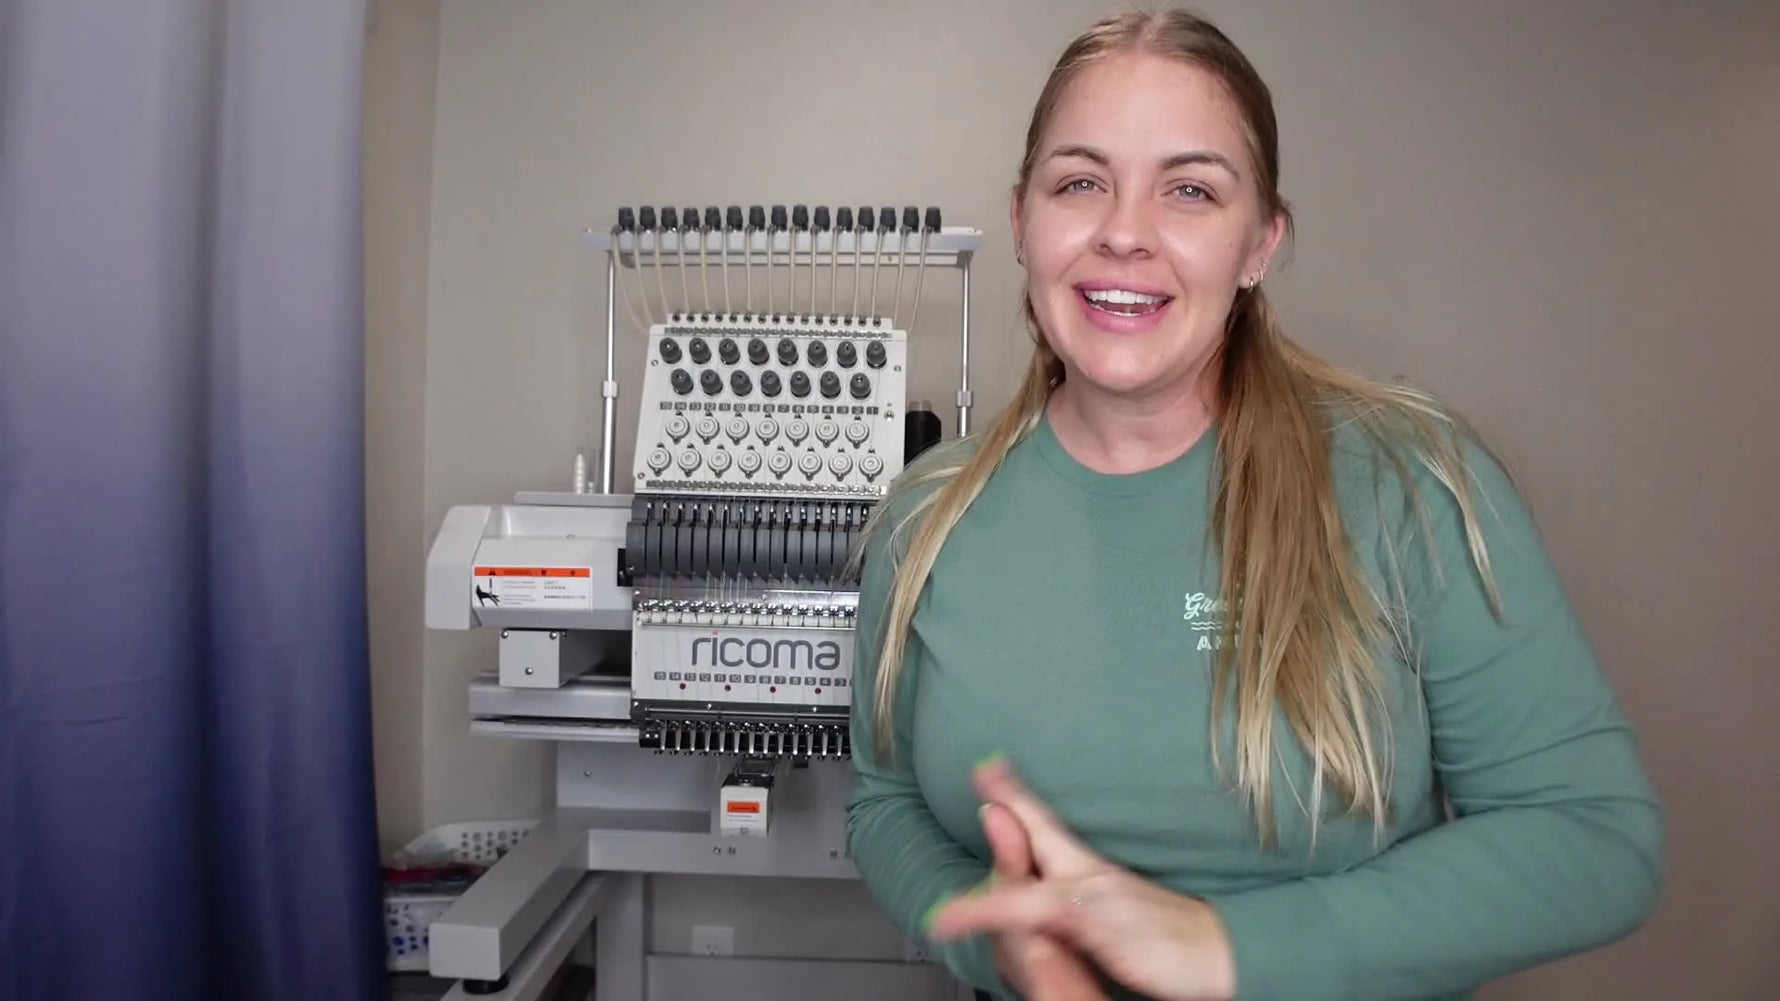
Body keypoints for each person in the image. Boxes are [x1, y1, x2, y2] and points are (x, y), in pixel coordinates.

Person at [842, 8, 1664, 1001]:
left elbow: (1593, 837)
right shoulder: (928, 518)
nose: (1123, 232)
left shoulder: (1410, 482)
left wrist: (1222, 945)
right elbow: (882, 807)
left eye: (1189, 189)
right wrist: (993, 943)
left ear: (1259, 243)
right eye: (1079, 182)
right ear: (1022, 218)